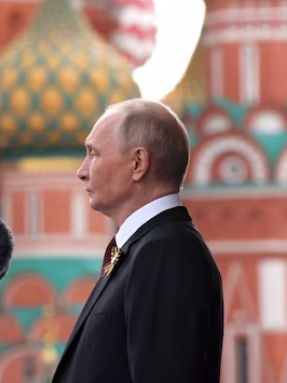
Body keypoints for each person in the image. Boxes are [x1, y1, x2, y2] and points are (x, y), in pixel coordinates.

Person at [52, 99, 224, 383]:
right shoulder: (143, 249)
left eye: (94, 154)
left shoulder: (166, 253)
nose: (82, 171)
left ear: (138, 163)